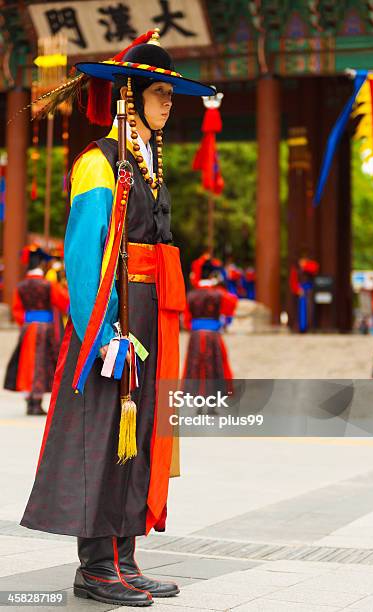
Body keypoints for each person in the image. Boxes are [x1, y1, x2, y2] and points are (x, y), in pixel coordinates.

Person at [20, 29, 215, 607]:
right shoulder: (98, 164)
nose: (168, 102)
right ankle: (95, 566)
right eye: (159, 92)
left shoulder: (149, 164)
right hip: (115, 317)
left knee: (141, 435)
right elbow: (83, 258)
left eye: (170, 94)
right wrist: (102, 332)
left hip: (152, 316)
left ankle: (125, 559)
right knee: (106, 436)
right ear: (128, 97)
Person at [4, 245, 69, 415]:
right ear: (41, 265)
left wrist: (26, 323)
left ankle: (30, 401)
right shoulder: (48, 285)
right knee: (42, 363)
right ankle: (37, 401)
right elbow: (63, 302)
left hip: (28, 328)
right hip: (46, 328)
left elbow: (17, 311)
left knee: (27, 364)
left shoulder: (21, 286)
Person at [183, 260, 237, 401]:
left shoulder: (191, 295)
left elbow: (186, 319)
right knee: (214, 367)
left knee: (195, 367)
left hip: (196, 335)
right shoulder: (218, 294)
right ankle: (214, 399)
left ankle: (197, 399)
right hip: (213, 335)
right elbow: (232, 305)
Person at [289, 253, 320, 333]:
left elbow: (314, 269)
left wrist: (305, 266)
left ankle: (309, 327)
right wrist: (297, 290)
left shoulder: (310, 267)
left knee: (309, 309)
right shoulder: (295, 269)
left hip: (309, 290)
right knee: (298, 309)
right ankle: (298, 327)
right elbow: (293, 281)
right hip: (299, 291)